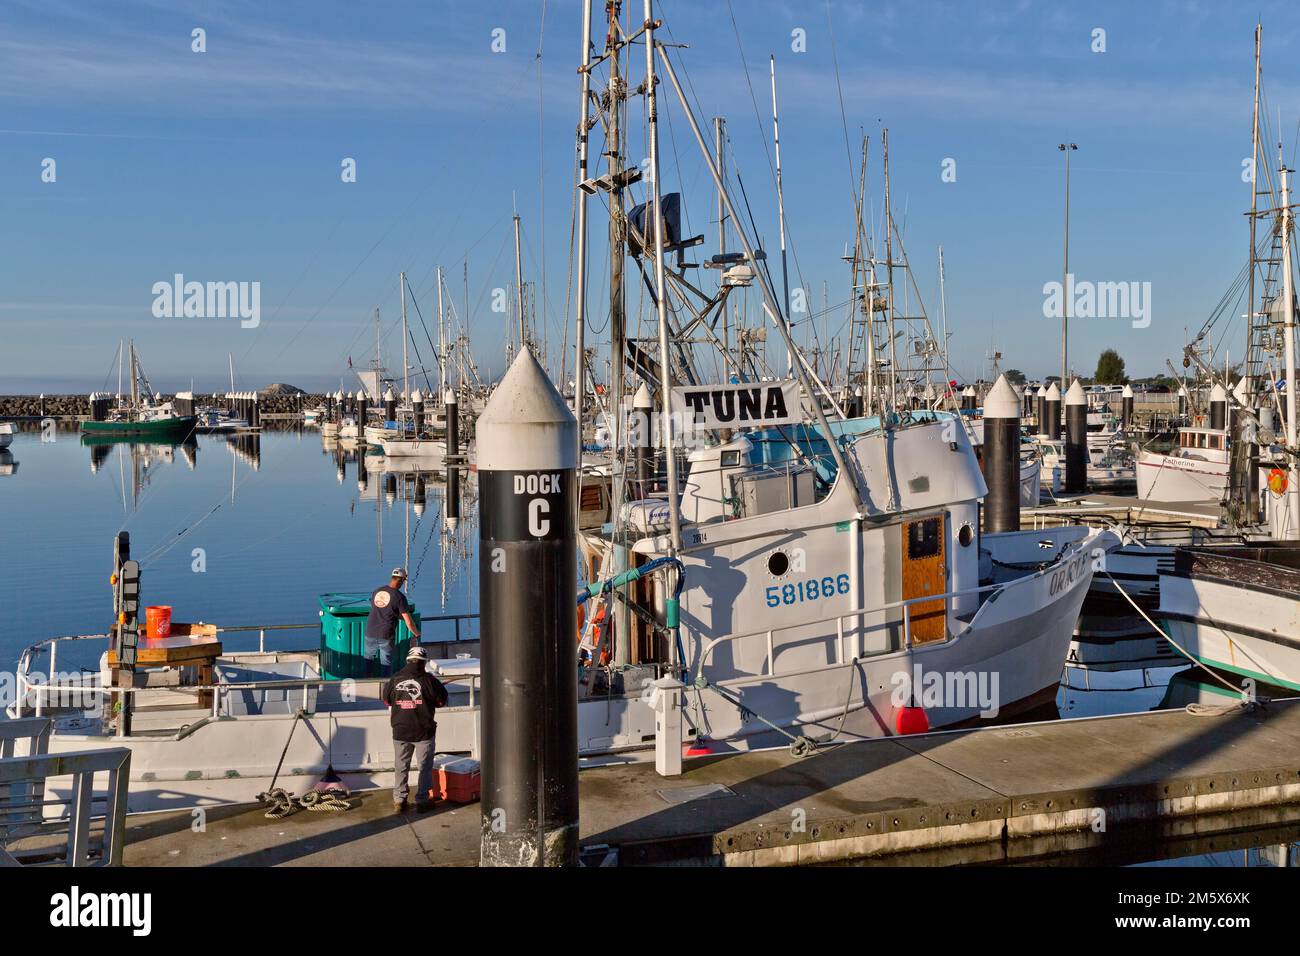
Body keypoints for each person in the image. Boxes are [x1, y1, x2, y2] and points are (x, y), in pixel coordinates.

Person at [381, 645, 448, 813]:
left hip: (400, 731)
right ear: (424, 662)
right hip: (423, 732)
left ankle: (399, 800)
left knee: (401, 766)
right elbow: (441, 702)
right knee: (424, 767)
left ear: (408, 660)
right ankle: (422, 800)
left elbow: (386, 700)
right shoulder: (430, 680)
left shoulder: (395, 678)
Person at [364, 567, 420, 676]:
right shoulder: (399, 597)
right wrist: (416, 633)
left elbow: (381, 610)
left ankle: (366, 683)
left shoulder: (377, 591)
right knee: (386, 664)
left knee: (368, 660)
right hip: (385, 634)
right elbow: (408, 622)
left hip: (370, 631)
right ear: (402, 581)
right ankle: (386, 689)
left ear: (392, 578)